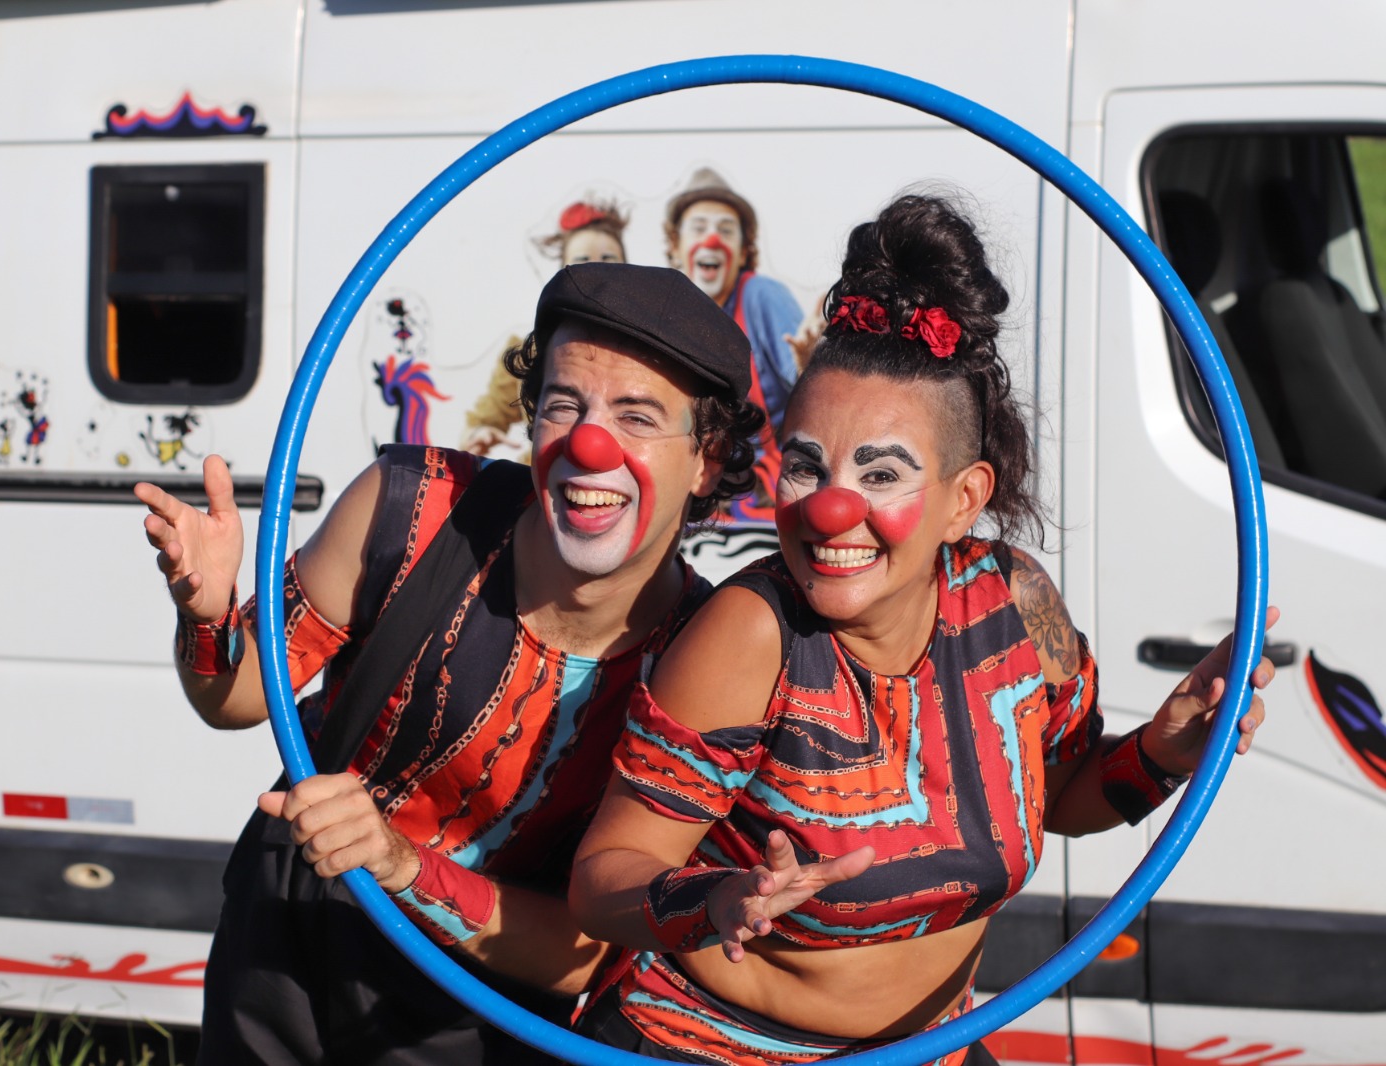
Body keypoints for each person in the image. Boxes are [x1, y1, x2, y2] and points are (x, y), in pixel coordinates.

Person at [568, 195, 1279, 1065]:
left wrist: (1165, 751)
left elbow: (1063, 797)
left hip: (934, 1048)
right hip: (708, 1049)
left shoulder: (1012, 604)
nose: (833, 511)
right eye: (807, 466)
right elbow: (603, 878)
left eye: (882, 473)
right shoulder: (752, 633)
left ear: (965, 499)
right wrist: (714, 899)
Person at [135, 261, 764, 1065]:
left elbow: (588, 954)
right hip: (292, 929)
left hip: (481, 999)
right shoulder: (416, 506)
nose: (588, 442)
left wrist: (402, 864)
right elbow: (236, 697)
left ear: (706, 460)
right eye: (563, 404)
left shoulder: (706, 653)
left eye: (637, 416)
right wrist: (207, 613)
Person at [665, 168, 803, 520]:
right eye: (698, 228)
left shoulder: (761, 296)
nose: (711, 239)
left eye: (725, 230)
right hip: (691, 486)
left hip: (768, 490)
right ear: (675, 248)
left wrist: (812, 364)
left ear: (743, 252)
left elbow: (808, 386)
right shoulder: (665, 310)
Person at [461, 197, 632, 458]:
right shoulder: (528, 351)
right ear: (564, 272)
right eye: (583, 260)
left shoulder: (648, 347)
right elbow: (486, 417)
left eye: (608, 259)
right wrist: (478, 435)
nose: (597, 270)